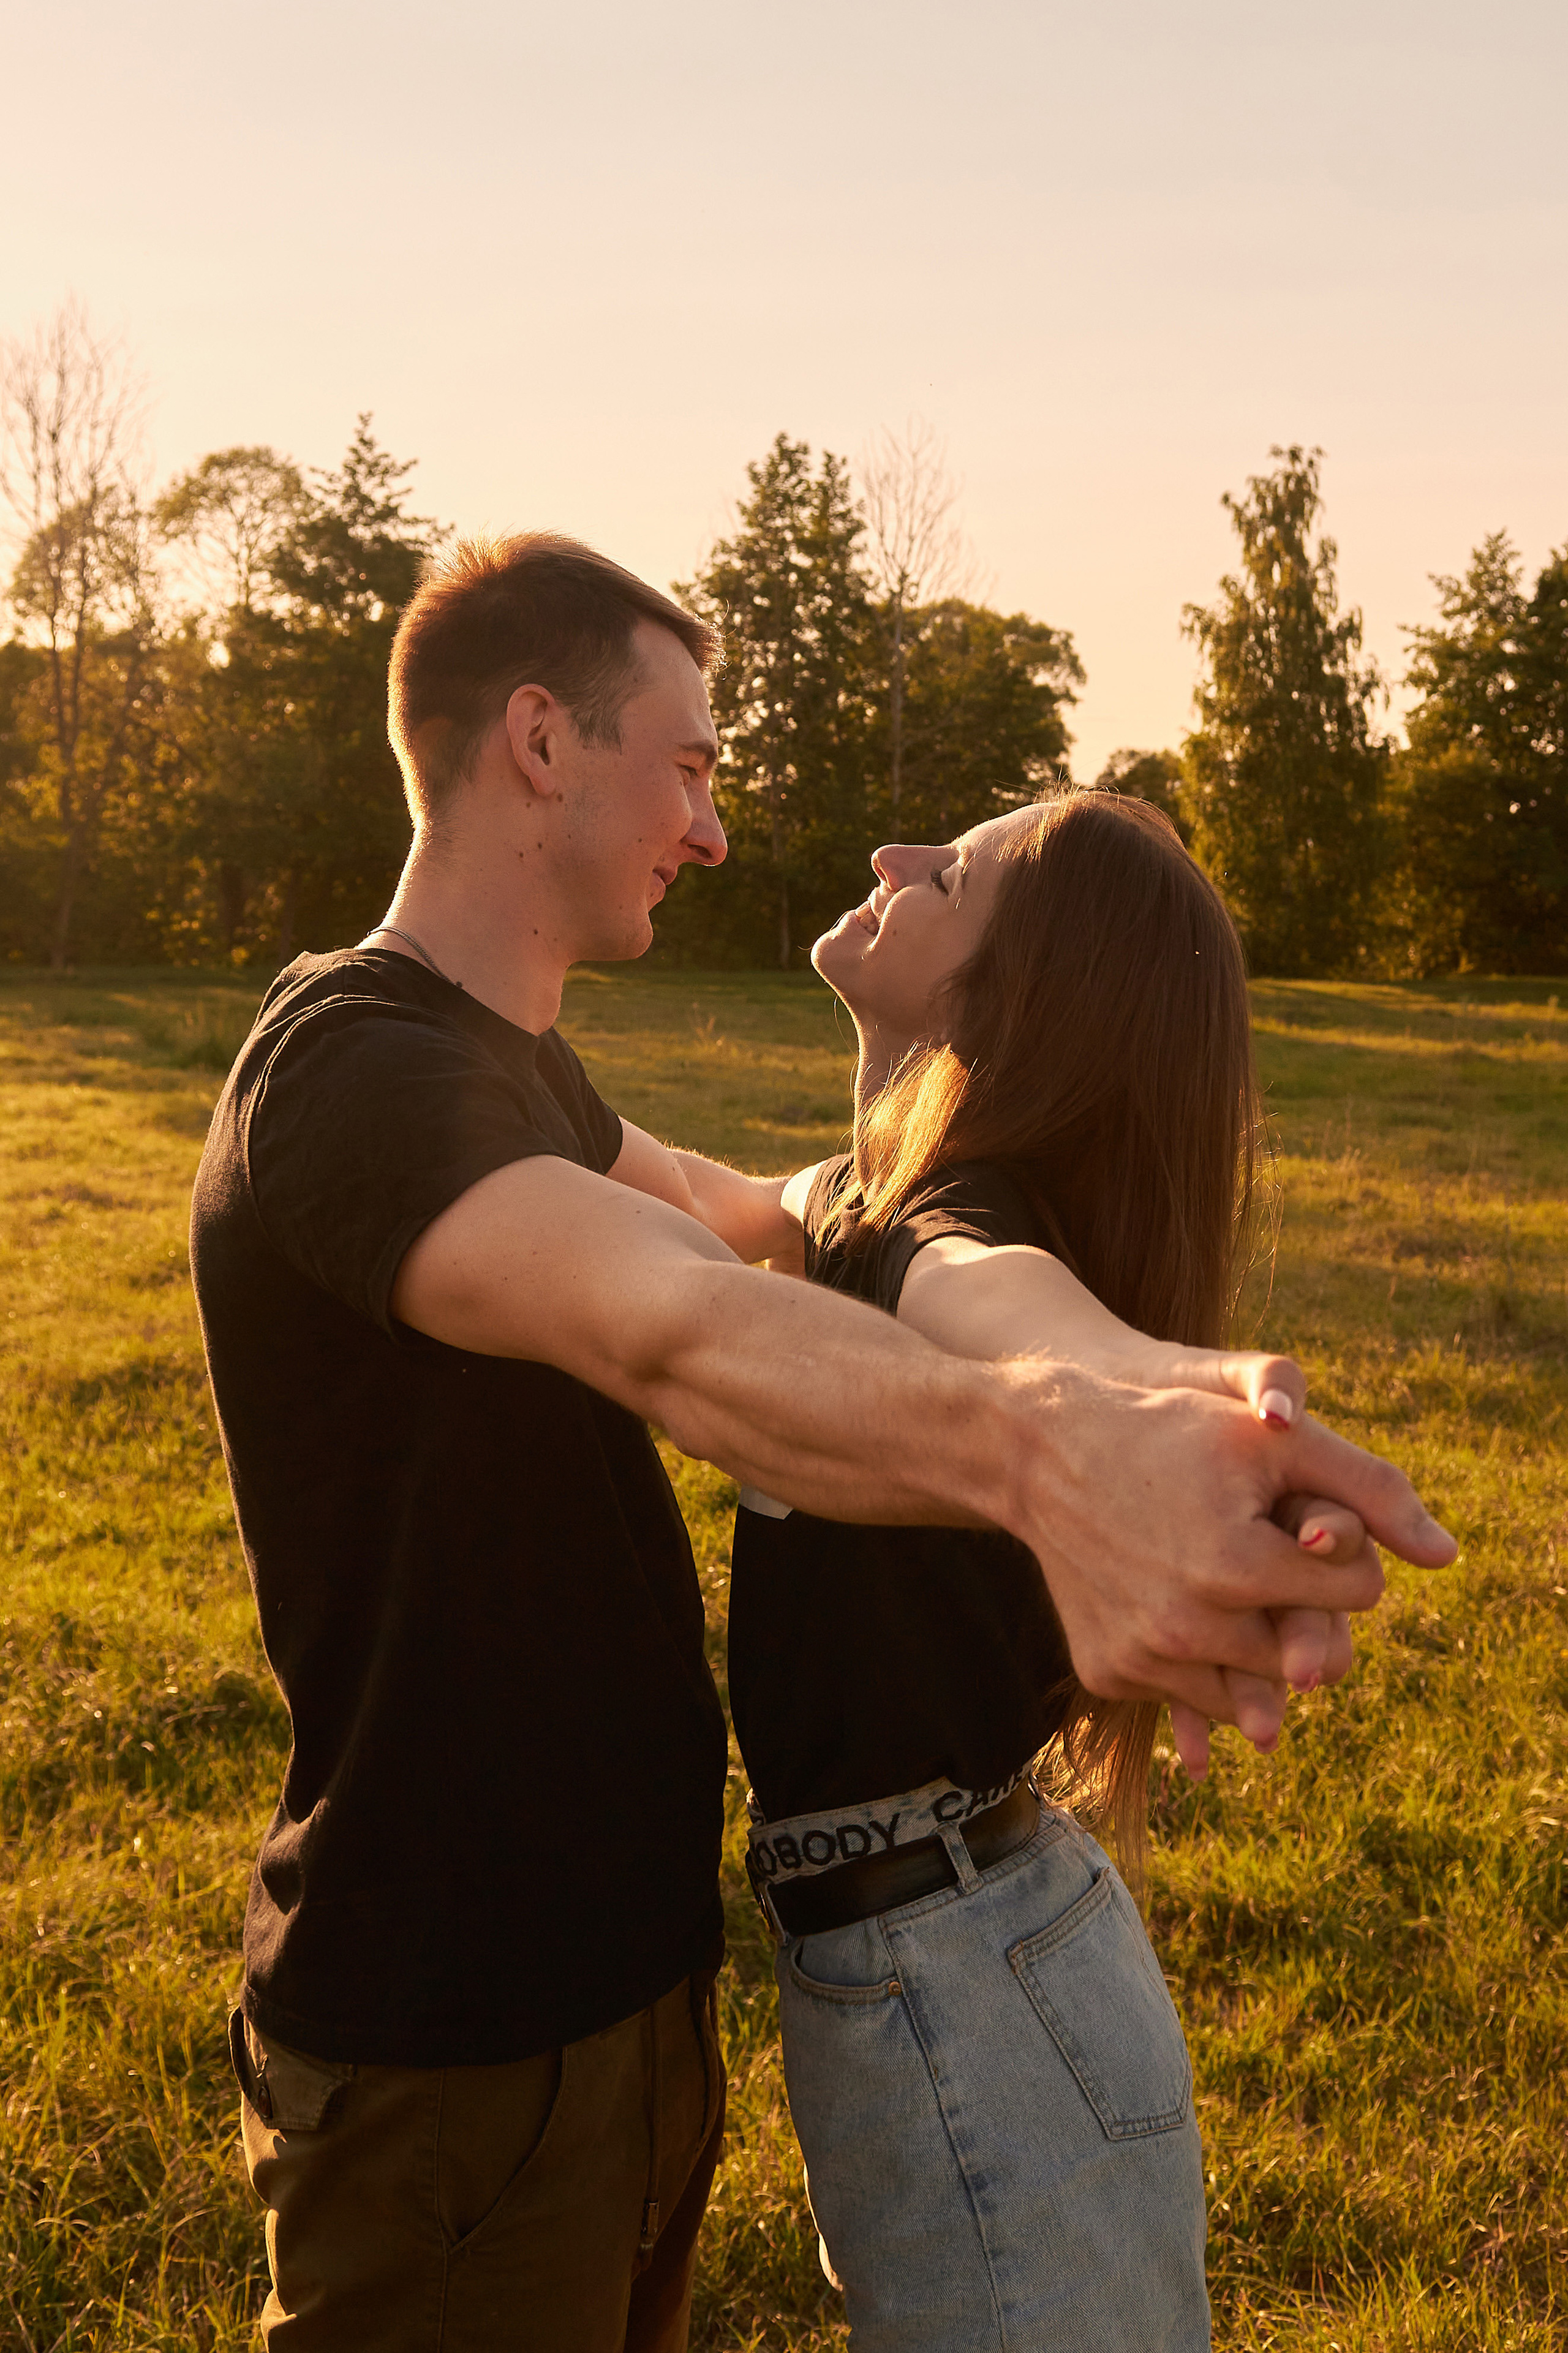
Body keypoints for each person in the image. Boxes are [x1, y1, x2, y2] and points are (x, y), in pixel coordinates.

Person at [189, 533, 1452, 2352]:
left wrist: (1128, 1367)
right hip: (452, 2022)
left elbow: (784, 1219)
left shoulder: (514, 1072)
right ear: (541, 742)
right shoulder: (354, 1072)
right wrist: (1046, 1447)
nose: (710, 833)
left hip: (619, 1998)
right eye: (690, 768)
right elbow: (683, 1324)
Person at [621, 788, 1368, 2349]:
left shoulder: (951, 1225)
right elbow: (690, 1191)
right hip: (945, 1947)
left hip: (959, 1969)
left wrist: (1140, 1385)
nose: (889, 857)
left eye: (947, 869)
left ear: (1006, 987)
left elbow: (1007, 1312)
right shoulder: (861, 1197)